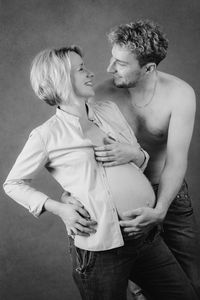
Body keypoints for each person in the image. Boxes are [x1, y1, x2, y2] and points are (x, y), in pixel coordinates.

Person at [3, 46, 198, 300]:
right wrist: (59, 207)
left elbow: (138, 161)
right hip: (102, 248)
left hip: (145, 235)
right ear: (60, 78)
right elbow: (13, 183)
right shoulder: (46, 135)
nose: (91, 73)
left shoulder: (108, 110)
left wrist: (136, 154)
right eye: (80, 69)